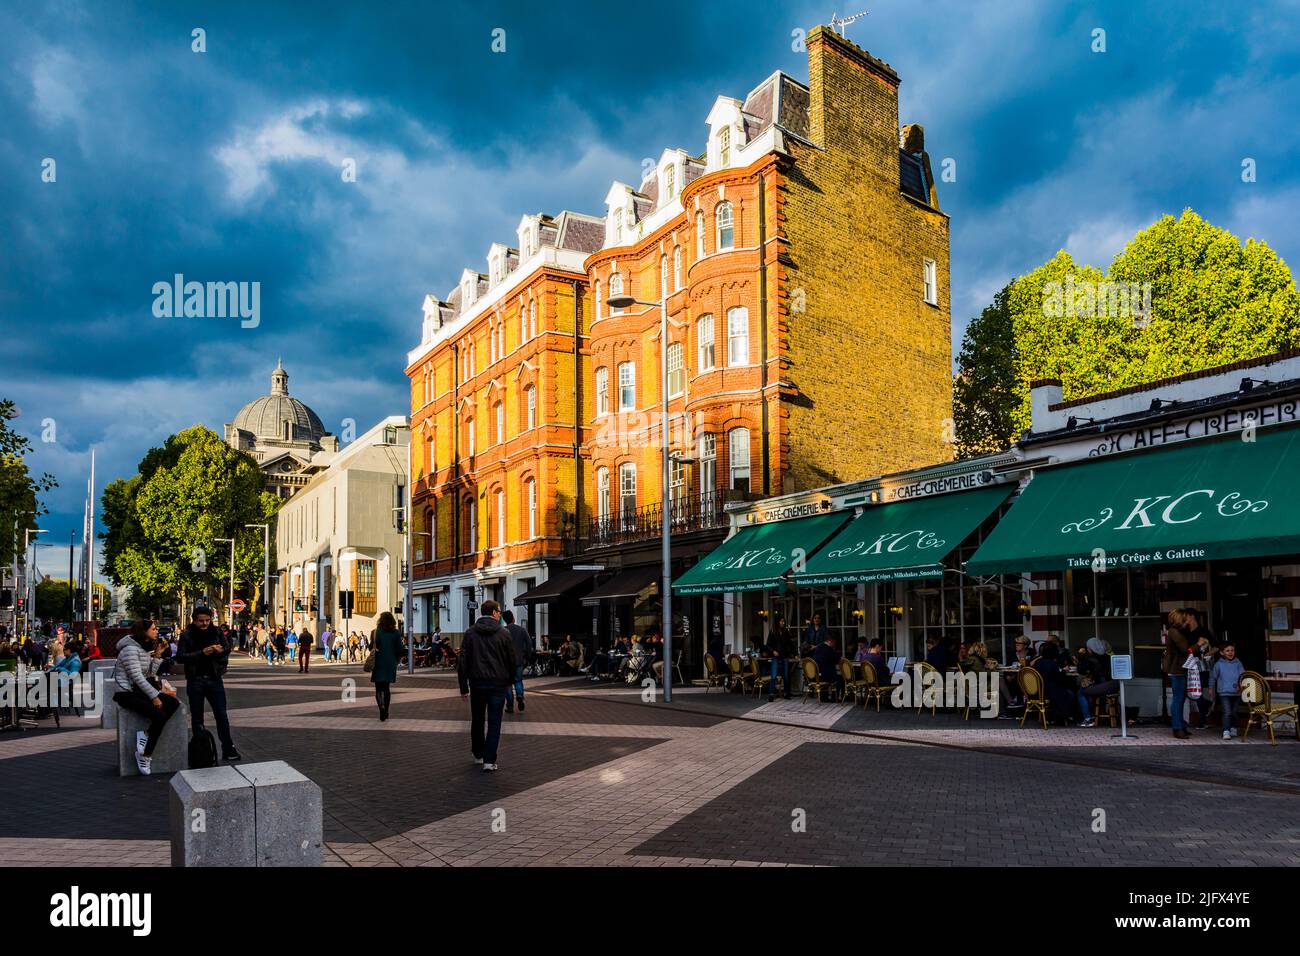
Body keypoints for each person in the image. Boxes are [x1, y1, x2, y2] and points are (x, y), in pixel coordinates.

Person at [111, 620, 180, 775]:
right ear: (144, 631)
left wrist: (157, 656)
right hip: (126, 693)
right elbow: (137, 677)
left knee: (173, 704)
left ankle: (146, 734)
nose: (157, 632)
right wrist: (155, 697)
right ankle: (146, 755)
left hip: (139, 691)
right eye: (154, 629)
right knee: (159, 716)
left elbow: (148, 675)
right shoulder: (129, 649)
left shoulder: (142, 648)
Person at [456, 600, 516, 772]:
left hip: (477, 683)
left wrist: (463, 687)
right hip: (498, 684)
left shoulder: (470, 633)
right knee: (495, 721)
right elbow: (511, 660)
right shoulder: (504, 634)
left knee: (478, 719)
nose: (500, 614)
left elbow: (463, 662)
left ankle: (478, 754)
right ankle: (489, 761)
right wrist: (510, 680)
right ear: (495, 613)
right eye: (499, 611)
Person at [176, 606, 241, 761]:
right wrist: (202, 653)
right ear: (194, 620)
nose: (205, 623)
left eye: (207, 620)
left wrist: (220, 651)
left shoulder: (217, 631)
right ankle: (202, 751)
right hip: (195, 679)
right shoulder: (186, 634)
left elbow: (227, 648)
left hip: (214, 678)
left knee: (221, 715)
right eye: (201, 621)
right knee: (197, 717)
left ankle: (228, 748)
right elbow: (180, 657)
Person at [1075, 638, 1120, 728]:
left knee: (1081, 692)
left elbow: (1081, 671)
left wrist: (1080, 657)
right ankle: (1099, 715)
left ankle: (1088, 719)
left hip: (1104, 685)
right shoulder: (1108, 656)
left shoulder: (1091, 659)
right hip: (1114, 685)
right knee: (1092, 691)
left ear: (1090, 649)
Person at [1163, 608, 1193, 739]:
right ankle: (1177, 727)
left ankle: (1181, 725)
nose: (1187, 619)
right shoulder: (1174, 632)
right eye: (1185, 617)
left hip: (1181, 668)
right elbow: (1185, 649)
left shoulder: (1178, 631)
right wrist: (1198, 644)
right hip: (1177, 669)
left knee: (1181, 699)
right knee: (1178, 699)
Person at [369, 611, 404, 721]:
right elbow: (400, 649)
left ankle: (382, 708)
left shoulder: (375, 632)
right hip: (390, 662)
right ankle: (387, 710)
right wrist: (397, 659)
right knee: (387, 688)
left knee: (378, 688)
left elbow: (371, 647)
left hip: (379, 662)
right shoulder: (396, 633)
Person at [1210, 643, 1245, 740]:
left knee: (1234, 712)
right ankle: (1226, 730)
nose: (1230, 652)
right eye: (1227, 651)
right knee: (1227, 712)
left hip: (1236, 692)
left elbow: (1243, 675)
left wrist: (1242, 685)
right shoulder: (1218, 664)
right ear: (1222, 653)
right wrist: (1210, 688)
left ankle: (1233, 727)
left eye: (1232, 650)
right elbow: (1213, 677)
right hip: (1224, 692)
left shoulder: (1238, 663)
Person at [502, 610, 532, 713]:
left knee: (508, 684)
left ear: (504, 620)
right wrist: (527, 657)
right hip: (519, 660)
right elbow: (529, 644)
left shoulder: (502, 631)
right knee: (518, 680)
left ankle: (510, 706)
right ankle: (520, 695)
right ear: (513, 618)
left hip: (506, 663)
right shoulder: (521, 630)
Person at [764, 614, 795, 702]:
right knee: (773, 676)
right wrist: (773, 651)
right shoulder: (773, 632)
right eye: (781, 621)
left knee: (786, 676)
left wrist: (794, 653)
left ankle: (786, 693)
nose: (783, 623)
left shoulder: (786, 632)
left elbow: (790, 644)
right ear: (778, 622)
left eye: (784, 621)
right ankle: (771, 694)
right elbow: (768, 645)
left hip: (785, 656)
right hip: (775, 657)